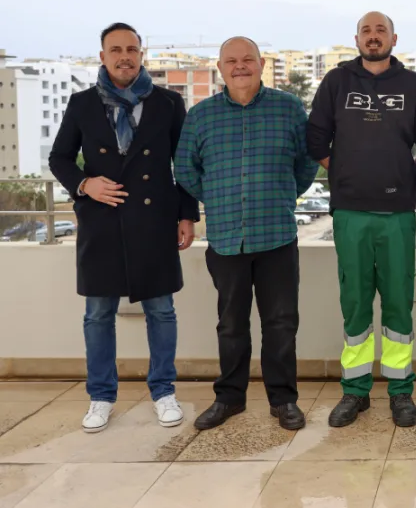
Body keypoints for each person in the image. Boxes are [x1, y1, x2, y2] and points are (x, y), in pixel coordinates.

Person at [49, 22, 198, 433]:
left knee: (161, 310)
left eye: (131, 49)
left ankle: (164, 392)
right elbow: (59, 158)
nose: (124, 57)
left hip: (154, 222)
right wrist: (85, 184)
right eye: (115, 50)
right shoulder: (81, 104)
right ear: (103, 56)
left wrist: (186, 215)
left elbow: (184, 164)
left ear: (141, 54)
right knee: (98, 314)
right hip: (101, 222)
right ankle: (100, 396)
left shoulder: (168, 102)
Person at [174, 37, 319, 432]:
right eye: (231, 61)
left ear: (261, 64)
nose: (240, 66)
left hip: (276, 235)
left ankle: (283, 400)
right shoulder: (201, 116)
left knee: (281, 323)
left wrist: (283, 193)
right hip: (226, 238)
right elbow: (184, 169)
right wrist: (216, 197)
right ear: (220, 68)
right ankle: (229, 398)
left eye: (248, 59)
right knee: (231, 324)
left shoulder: (289, 108)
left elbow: (307, 162)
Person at [307, 11, 416, 429]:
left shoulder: (414, 86)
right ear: (357, 39)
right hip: (350, 213)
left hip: (397, 213)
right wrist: (345, 171)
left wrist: (404, 172)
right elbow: (315, 138)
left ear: (394, 39)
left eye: (381, 30)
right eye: (367, 30)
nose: (374, 36)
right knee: (356, 305)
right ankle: (355, 390)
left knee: (398, 304)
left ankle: (400, 392)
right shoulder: (337, 82)